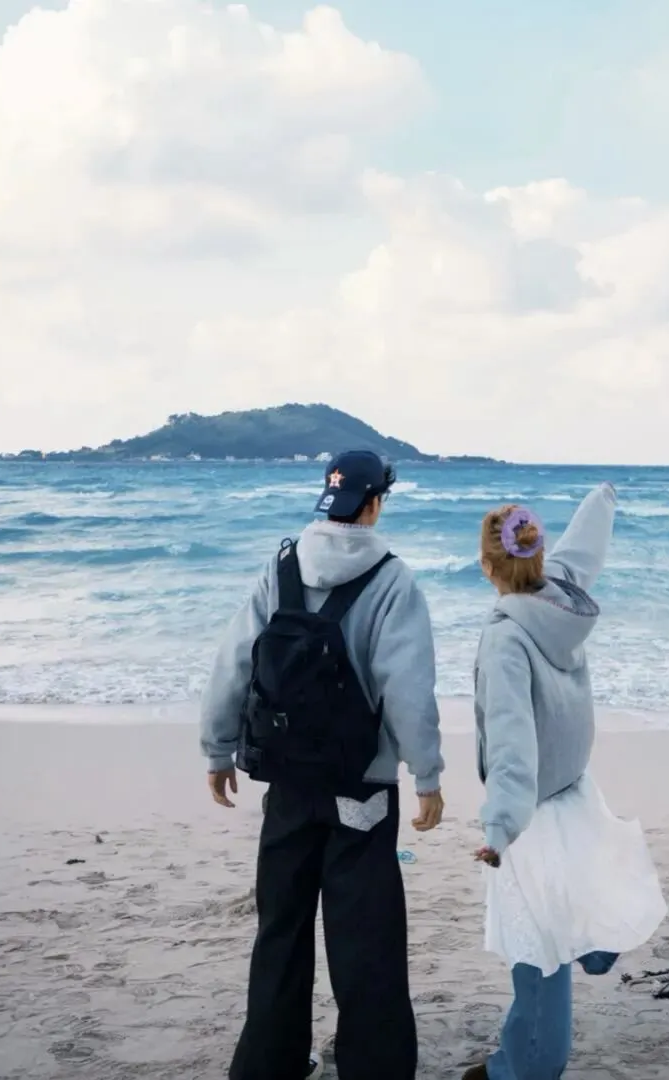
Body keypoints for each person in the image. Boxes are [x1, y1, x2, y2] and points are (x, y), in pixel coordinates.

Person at [200, 449, 446, 1080]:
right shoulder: (393, 580)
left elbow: (234, 661)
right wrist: (427, 774)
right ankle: (374, 1067)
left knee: (280, 929)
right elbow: (407, 689)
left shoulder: (281, 566)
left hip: (287, 780)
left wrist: (217, 748)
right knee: (365, 936)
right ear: (374, 504)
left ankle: (269, 1063)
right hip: (361, 786)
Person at [463, 483, 667, 1080]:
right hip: (575, 792)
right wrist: (602, 501)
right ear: (538, 556)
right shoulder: (559, 601)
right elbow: (584, 554)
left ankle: (524, 1068)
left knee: (538, 955)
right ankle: (597, 950)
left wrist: (499, 828)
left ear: (487, 567)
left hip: (532, 815)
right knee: (565, 924)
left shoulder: (506, 637)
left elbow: (512, 744)